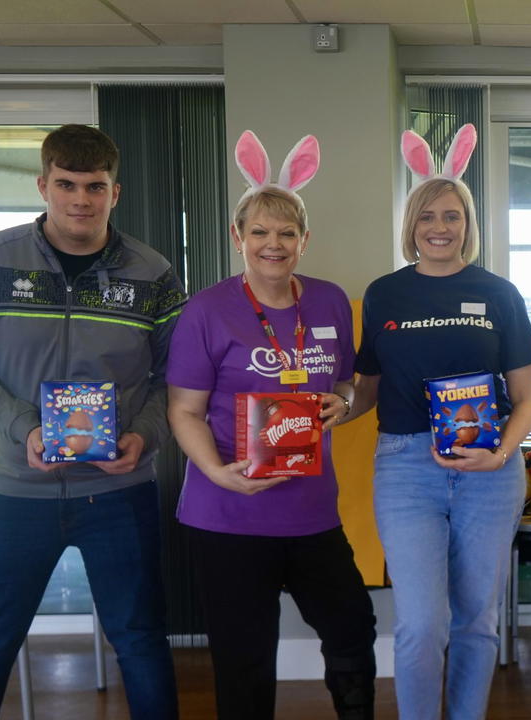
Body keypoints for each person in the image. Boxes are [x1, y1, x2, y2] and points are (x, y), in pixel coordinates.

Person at [166, 131, 376, 719]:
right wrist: (219, 473)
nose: (273, 244)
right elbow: (183, 410)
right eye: (259, 232)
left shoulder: (330, 302)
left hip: (311, 510)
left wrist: (342, 403)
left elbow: (344, 384)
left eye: (286, 233)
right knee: (245, 658)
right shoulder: (207, 310)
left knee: (352, 628)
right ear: (238, 238)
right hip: (228, 512)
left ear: (305, 240)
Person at [0, 124, 183, 718]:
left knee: (140, 639)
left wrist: (145, 434)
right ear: (43, 185)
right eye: (66, 184)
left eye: (94, 186)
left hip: (119, 492)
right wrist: (25, 429)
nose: (80, 199)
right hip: (17, 491)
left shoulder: (152, 272)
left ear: (114, 193)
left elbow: (176, 379)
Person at [345, 124, 531, 720]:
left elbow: (527, 398)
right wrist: (328, 413)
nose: (440, 226)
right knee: (421, 623)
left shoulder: (500, 294)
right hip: (406, 467)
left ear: (467, 224)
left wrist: (500, 454)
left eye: (452, 215)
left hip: (489, 471)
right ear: (411, 225)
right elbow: (366, 390)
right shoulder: (385, 294)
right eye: (428, 215)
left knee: (477, 621)